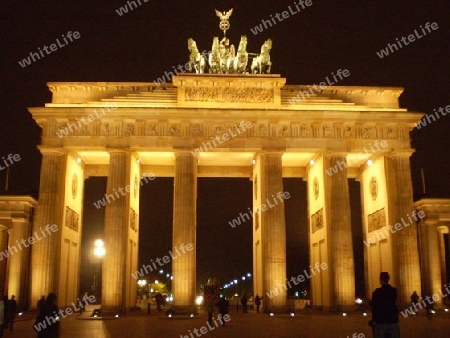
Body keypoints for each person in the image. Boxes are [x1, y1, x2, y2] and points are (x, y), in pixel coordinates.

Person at [369, 272, 400, 338]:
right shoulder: (394, 291)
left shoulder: (377, 292)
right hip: (392, 320)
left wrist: (373, 320)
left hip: (381, 320)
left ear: (381, 280)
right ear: (388, 279)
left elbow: (374, 308)